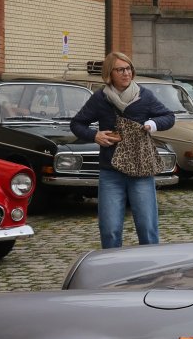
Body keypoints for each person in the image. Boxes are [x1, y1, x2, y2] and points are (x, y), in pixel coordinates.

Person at [70, 51, 176, 249]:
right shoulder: (100, 98)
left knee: (147, 228)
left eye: (128, 69)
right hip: (110, 172)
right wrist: (95, 135)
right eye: (120, 70)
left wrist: (152, 124)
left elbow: (169, 117)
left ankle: (150, 263)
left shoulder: (144, 96)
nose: (126, 73)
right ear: (109, 73)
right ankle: (113, 264)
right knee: (109, 229)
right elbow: (77, 124)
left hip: (141, 170)